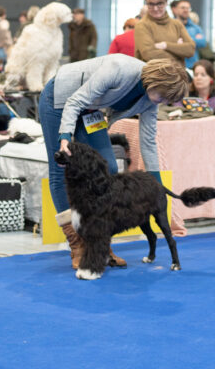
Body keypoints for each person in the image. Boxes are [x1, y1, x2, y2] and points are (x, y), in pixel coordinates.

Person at [40, 55, 191, 270]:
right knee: (61, 169)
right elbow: (75, 101)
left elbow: (148, 142)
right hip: (60, 99)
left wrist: (156, 185)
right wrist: (65, 137)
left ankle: (99, 241)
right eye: (163, 96)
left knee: (109, 167)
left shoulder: (151, 101)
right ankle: (77, 244)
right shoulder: (119, 68)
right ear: (154, 82)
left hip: (90, 111)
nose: (162, 102)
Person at [134, 0, 195, 67]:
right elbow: (149, 55)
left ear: (166, 3)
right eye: (151, 4)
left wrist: (166, 45)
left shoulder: (176, 24)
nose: (155, 8)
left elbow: (191, 50)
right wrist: (178, 52)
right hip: (153, 74)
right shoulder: (142, 25)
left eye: (159, 4)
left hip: (178, 74)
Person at [171, 0, 207, 68]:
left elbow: (203, 43)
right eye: (183, 8)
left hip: (192, 65)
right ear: (176, 10)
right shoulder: (170, 26)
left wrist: (183, 40)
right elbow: (169, 42)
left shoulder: (195, 27)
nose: (186, 10)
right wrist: (192, 40)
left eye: (188, 8)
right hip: (174, 65)